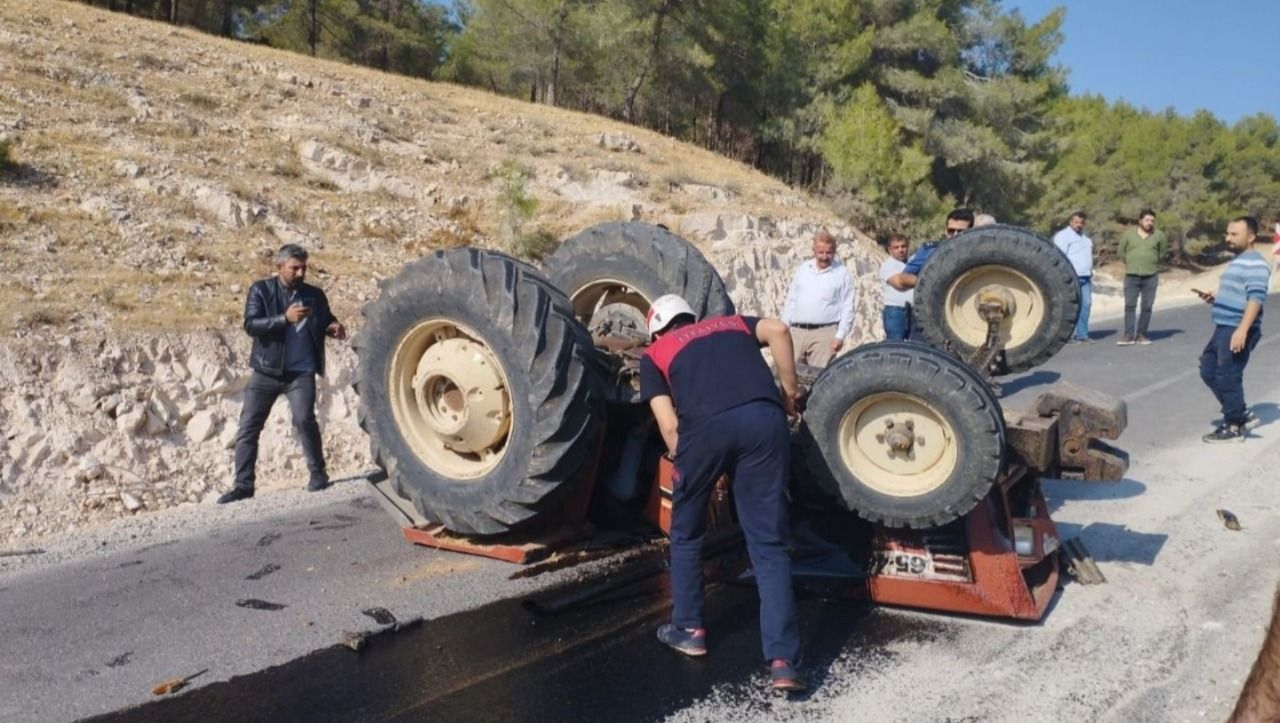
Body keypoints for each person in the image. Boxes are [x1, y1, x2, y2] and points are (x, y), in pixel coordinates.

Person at [639, 294, 806, 693]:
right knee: (768, 544)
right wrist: (788, 392)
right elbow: (780, 330)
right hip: (765, 420)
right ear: (691, 317)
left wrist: (694, 468)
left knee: (685, 534)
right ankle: (784, 662)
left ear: (657, 330)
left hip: (705, 431)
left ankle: (689, 629)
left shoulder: (655, 353)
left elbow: (669, 426)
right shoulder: (731, 323)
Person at [218, 244, 347, 504]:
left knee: (304, 420)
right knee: (248, 427)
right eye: (294, 268)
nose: (300, 273)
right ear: (279, 267)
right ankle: (243, 486)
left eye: (303, 268)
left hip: (301, 372)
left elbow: (325, 319)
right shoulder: (261, 290)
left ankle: (318, 474)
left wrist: (333, 327)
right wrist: (283, 319)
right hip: (266, 371)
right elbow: (251, 325)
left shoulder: (314, 295)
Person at [1197, 217, 1270, 443]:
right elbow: (1240, 295)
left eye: (1234, 234)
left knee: (1228, 376)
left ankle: (1233, 425)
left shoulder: (1256, 263)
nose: (1228, 238)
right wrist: (1215, 298)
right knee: (1208, 369)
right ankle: (1240, 413)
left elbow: (1256, 298)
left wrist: (1243, 329)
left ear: (1251, 237)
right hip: (1224, 326)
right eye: (1227, 234)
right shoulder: (1238, 261)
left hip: (1237, 328)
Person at [780, 230, 855, 368]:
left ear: (835, 251)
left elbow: (847, 308)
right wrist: (784, 326)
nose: (825, 257)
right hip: (796, 332)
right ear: (813, 250)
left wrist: (840, 336)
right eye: (821, 252)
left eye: (829, 253)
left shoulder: (842, 273)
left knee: (818, 381)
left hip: (824, 335)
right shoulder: (803, 269)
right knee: (789, 378)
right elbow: (792, 299)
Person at [886, 208, 976, 292]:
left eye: (960, 231)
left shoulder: (979, 252)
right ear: (945, 230)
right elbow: (904, 277)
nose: (955, 235)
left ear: (972, 231)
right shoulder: (931, 250)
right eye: (951, 231)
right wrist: (930, 283)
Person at [1116, 209, 1168, 345]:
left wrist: (1151, 262)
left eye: (1152, 220)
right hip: (1132, 276)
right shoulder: (1129, 235)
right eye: (1147, 220)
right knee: (1129, 305)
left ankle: (1141, 335)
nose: (1149, 223)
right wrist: (1132, 263)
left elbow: (1162, 252)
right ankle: (1128, 335)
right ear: (1140, 221)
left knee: (1147, 306)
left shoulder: (1159, 236)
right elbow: (1121, 251)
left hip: (1150, 276)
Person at [1053, 212, 1094, 343]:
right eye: (1076, 222)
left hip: (1086, 276)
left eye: (1081, 223)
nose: (1079, 225)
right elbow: (1059, 256)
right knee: (1070, 306)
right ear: (1070, 222)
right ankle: (1066, 335)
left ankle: (1082, 334)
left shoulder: (1085, 238)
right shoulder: (1063, 236)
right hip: (1071, 277)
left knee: (1086, 305)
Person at [879, 233, 913, 340]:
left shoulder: (912, 263)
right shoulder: (888, 265)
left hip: (913, 312)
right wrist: (920, 280)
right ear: (890, 249)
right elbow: (899, 284)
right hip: (895, 312)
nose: (901, 250)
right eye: (896, 247)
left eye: (903, 246)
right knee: (895, 344)